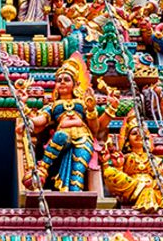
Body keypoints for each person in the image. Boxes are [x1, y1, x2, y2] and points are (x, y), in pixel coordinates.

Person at [25, 55, 117, 192]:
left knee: (78, 168)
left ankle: (75, 195)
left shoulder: (82, 103)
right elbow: (42, 119)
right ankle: (42, 169)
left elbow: (96, 127)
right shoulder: (54, 106)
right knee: (59, 137)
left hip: (83, 137)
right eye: (59, 80)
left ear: (75, 84)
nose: (62, 82)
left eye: (66, 80)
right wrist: (30, 122)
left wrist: (96, 109)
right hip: (62, 135)